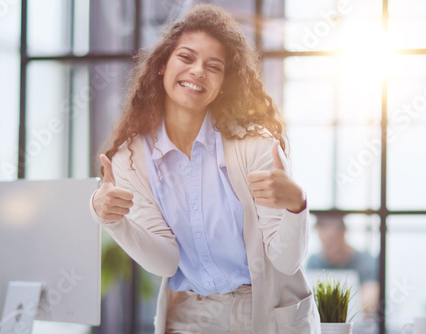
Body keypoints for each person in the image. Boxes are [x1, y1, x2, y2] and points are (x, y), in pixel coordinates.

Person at [90, 4, 320, 333]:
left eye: (214, 66)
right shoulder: (130, 159)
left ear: (224, 82)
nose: (198, 70)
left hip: (260, 310)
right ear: (161, 66)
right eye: (186, 57)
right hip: (188, 316)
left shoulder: (254, 146)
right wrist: (114, 222)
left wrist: (295, 205)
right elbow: (165, 261)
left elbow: (285, 261)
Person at [306, 214, 379, 318]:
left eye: (332, 241)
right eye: (324, 242)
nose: (327, 247)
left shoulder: (365, 261)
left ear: (343, 232)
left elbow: (370, 305)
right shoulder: (314, 262)